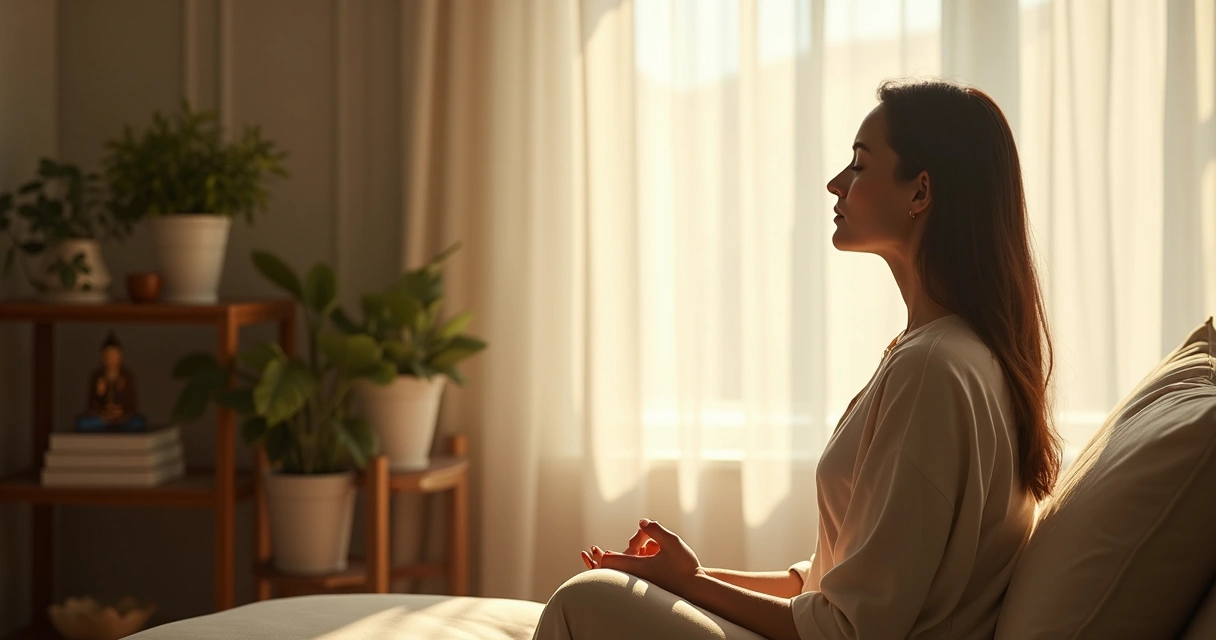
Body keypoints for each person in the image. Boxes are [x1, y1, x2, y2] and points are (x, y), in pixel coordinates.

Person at [531, 78, 1061, 640]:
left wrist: (688, 585)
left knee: (585, 600)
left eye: (859, 165)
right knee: (604, 598)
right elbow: (836, 585)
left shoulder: (934, 367)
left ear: (920, 192)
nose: (835, 183)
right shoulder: (947, 354)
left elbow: (851, 628)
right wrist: (685, 577)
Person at [76, 331, 147, 432]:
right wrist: (100, 395)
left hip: (123, 417)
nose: (111, 359)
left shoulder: (127, 375)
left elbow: (132, 403)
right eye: (108, 355)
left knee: (138, 422)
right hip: (102, 417)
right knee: (83, 423)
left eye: (114, 355)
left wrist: (120, 412)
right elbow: (90, 403)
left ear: (120, 356)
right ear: (102, 357)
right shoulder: (97, 375)